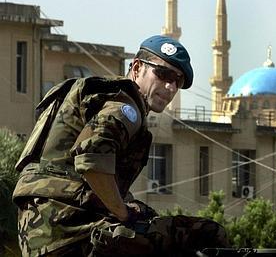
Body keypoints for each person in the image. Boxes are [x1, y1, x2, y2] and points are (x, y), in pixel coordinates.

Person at [12, 35, 229, 256]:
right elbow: (91, 158)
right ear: (136, 67)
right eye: (163, 74)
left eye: (178, 81)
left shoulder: (101, 94)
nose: (170, 86)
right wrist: (122, 212)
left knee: (147, 217)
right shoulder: (127, 107)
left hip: (39, 231)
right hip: (71, 231)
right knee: (207, 233)